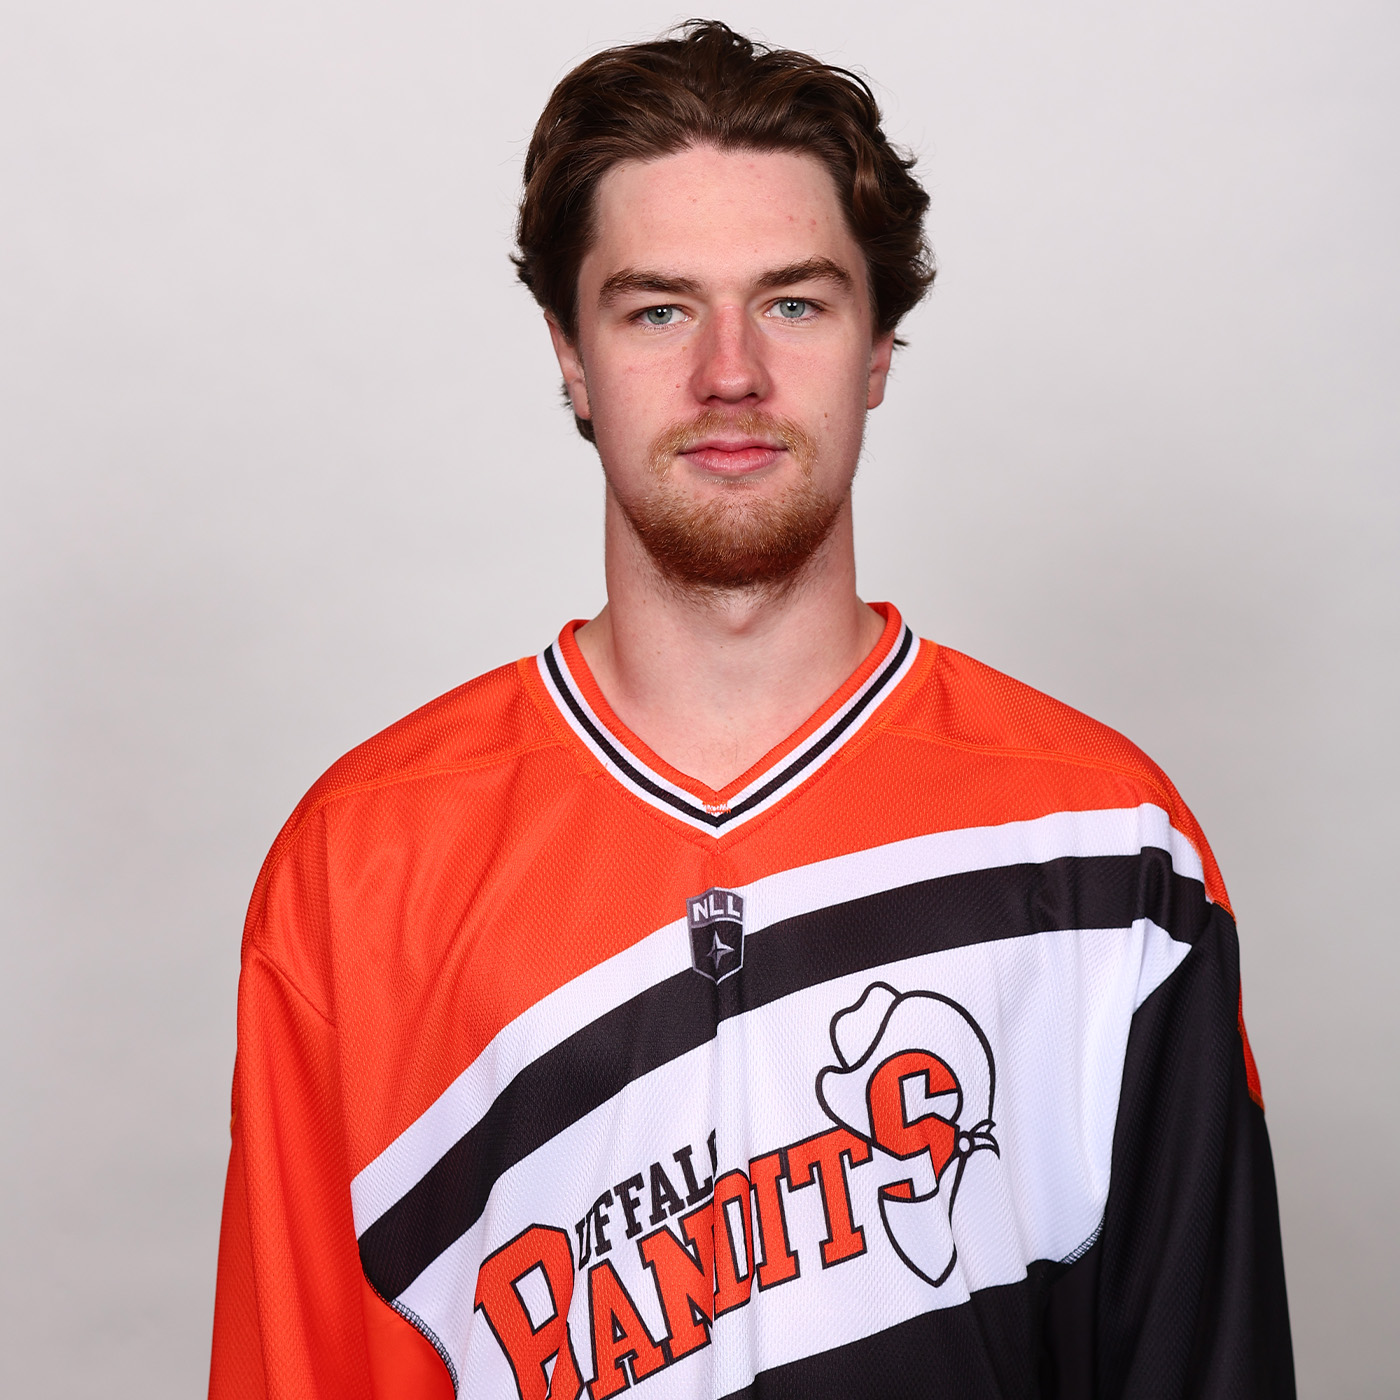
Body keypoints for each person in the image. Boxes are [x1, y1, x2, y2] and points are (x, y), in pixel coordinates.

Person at [208, 20, 1293, 1399]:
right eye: (658, 310)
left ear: (879, 347)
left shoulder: (1105, 846)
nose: (730, 372)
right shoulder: (360, 868)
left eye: (794, 304)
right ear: (568, 353)